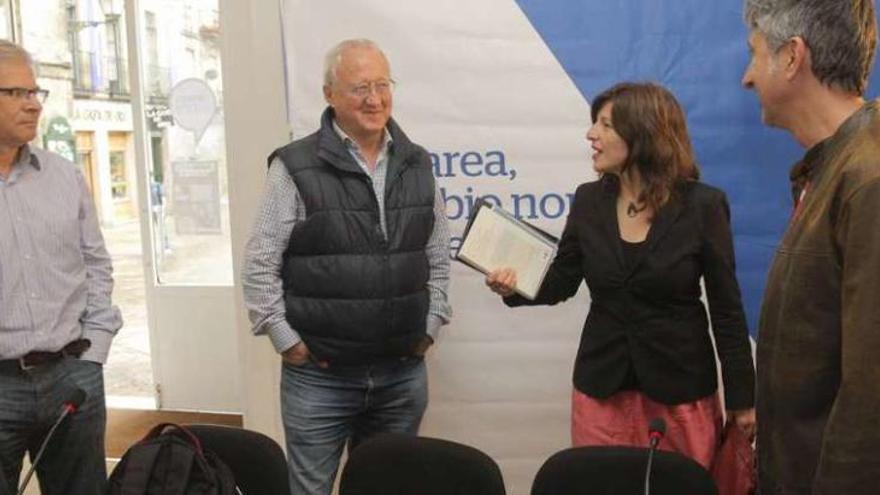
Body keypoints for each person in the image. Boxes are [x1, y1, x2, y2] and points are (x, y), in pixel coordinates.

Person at [485, 82, 756, 469]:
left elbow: (727, 311)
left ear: (642, 133)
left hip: (679, 393)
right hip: (602, 390)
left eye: (605, 125)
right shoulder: (589, 201)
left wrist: (743, 400)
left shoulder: (703, 205)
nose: (591, 134)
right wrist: (512, 286)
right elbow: (560, 281)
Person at [241, 38, 451, 495]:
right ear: (329, 94)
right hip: (320, 378)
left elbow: (437, 257)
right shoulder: (294, 166)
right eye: (359, 88)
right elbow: (259, 264)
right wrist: (288, 343)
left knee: (389, 488)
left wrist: (430, 326)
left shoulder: (418, 164)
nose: (374, 99)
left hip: (401, 374)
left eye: (382, 85)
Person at [742, 1, 880, 493]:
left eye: (755, 55)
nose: (747, 77)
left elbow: (871, 395)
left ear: (792, 57)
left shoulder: (868, 179)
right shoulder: (835, 168)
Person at [0, 41, 121, 494]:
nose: (33, 104)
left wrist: (93, 354)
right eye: (16, 93)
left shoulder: (64, 176)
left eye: (36, 92)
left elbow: (96, 265)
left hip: (72, 376)